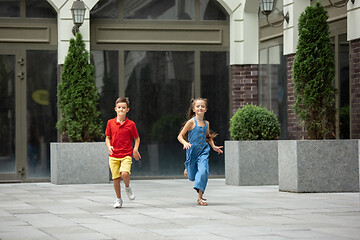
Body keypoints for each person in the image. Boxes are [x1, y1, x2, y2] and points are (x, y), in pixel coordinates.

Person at [177, 98, 223, 206]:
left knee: (203, 172)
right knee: (192, 176)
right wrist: (185, 143)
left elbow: (208, 136)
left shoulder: (206, 123)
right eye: (198, 106)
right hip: (192, 151)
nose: (200, 108)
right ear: (193, 109)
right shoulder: (191, 122)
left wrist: (213, 146)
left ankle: (200, 198)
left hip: (203, 151)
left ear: (206, 109)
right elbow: (179, 136)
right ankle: (188, 167)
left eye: (202, 106)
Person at [105, 97, 141, 208]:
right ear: (115, 109)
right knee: (116, 179)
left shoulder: (131, 124)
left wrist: (135, 149)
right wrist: (108, 146)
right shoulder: (110, 123)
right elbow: (107, 137)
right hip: (113, 155)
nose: (121, 109)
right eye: (119, 107)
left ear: (127, 110)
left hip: (126, 154)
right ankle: (118, 199)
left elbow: (137, 138)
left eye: (123, 108)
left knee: (124, 173)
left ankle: (127, 187)